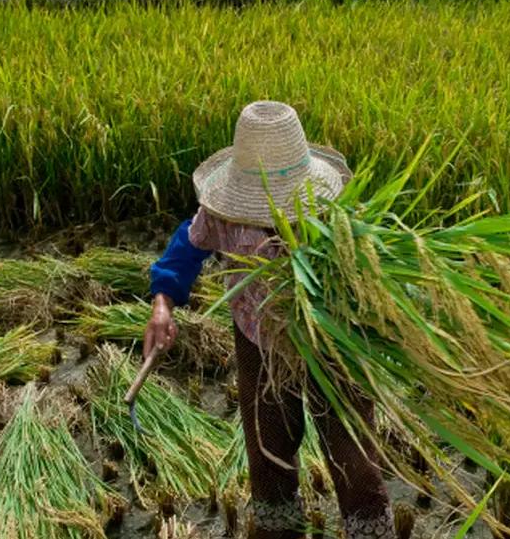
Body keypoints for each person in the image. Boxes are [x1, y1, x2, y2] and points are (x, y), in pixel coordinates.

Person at [144, 101, 395, 539]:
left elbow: (374, 275)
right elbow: (187, 247)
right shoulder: (223, 215)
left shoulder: (333, 216)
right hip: (258, 342)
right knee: (267, 450)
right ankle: (279, 529)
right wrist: (162, 304)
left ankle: (370, 530)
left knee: (352, 456)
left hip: (331, 343)